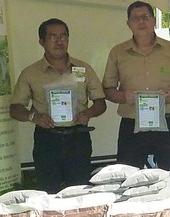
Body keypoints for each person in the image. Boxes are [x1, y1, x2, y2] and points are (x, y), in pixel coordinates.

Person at [10, 18, 106, 194]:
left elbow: (101, 103)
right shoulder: (31, 73)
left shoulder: (83, 68)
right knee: (49, 192)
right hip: (47, 140)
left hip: (78, 138)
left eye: (63, 36)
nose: (59, 41)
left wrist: (89, 113)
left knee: (80, 192)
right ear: (42, 41)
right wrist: (34, 117)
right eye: (52, 37)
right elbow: (15, 108)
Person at [102, 1, 170, 177]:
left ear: (153, 20)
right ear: (128, 24)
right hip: (132, 124)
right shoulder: (118, 52)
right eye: (135, 18)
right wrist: (123, 97)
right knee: (126, 177)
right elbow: (107, 89)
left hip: (167, 122)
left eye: (145, 17)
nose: (141, 22)